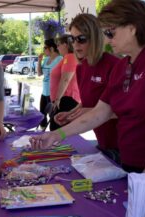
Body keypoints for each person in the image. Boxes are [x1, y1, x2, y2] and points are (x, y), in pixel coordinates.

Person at [31, 0, 145, 183]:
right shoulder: (122, 66)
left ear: (132, 27)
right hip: (131, 162)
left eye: (110, 32)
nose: (106, 39)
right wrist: (56, 134)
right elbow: (99, 113)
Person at [54, 14, 119, 160]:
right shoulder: (81, 68)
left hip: (121, 143)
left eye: (81, 39)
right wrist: (71, 113)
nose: (75, 45)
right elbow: (89, 99)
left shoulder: (114, 65)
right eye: (72, 39)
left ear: (95, 37)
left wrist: (88, 112)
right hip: (102, 141)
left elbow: (124, 110)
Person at [48, 34, 81, 131]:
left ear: (66, 45)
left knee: (58, 130)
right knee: (57, 130)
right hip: (63, 99)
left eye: (58, 45)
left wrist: (57, 99)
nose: (57, 48)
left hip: (66, 99)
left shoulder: (70, 57)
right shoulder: (67, 57)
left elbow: (65, 79)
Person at [37, 38, 62, 130]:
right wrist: (39, 61)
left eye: (45, 48)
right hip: (45, 91)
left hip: (53, 93)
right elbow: (39, 73)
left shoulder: (60, 59)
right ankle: (42, 133)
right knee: (41, 115)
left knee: (52, 117)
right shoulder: (46, 59)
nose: (43, 50)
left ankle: (53, 137)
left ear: (51, 49)